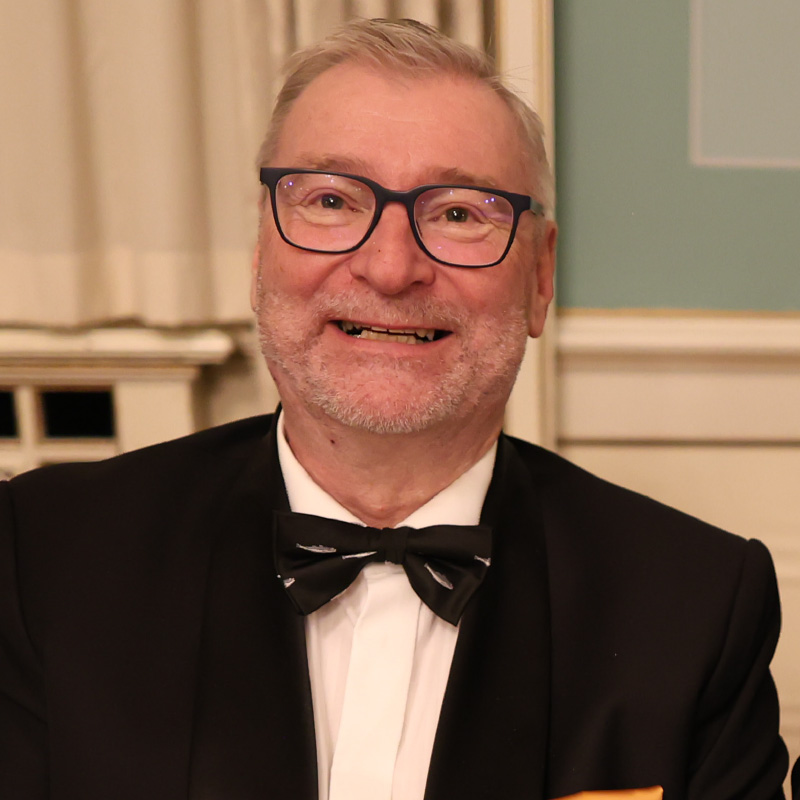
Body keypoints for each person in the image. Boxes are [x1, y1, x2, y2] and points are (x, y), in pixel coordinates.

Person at [0, 17, 789, 800]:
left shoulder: (698, 608)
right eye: (332, 201)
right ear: (262, 250)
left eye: (458, 213)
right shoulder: (43, 557)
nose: (389, 267)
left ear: (540, 276)